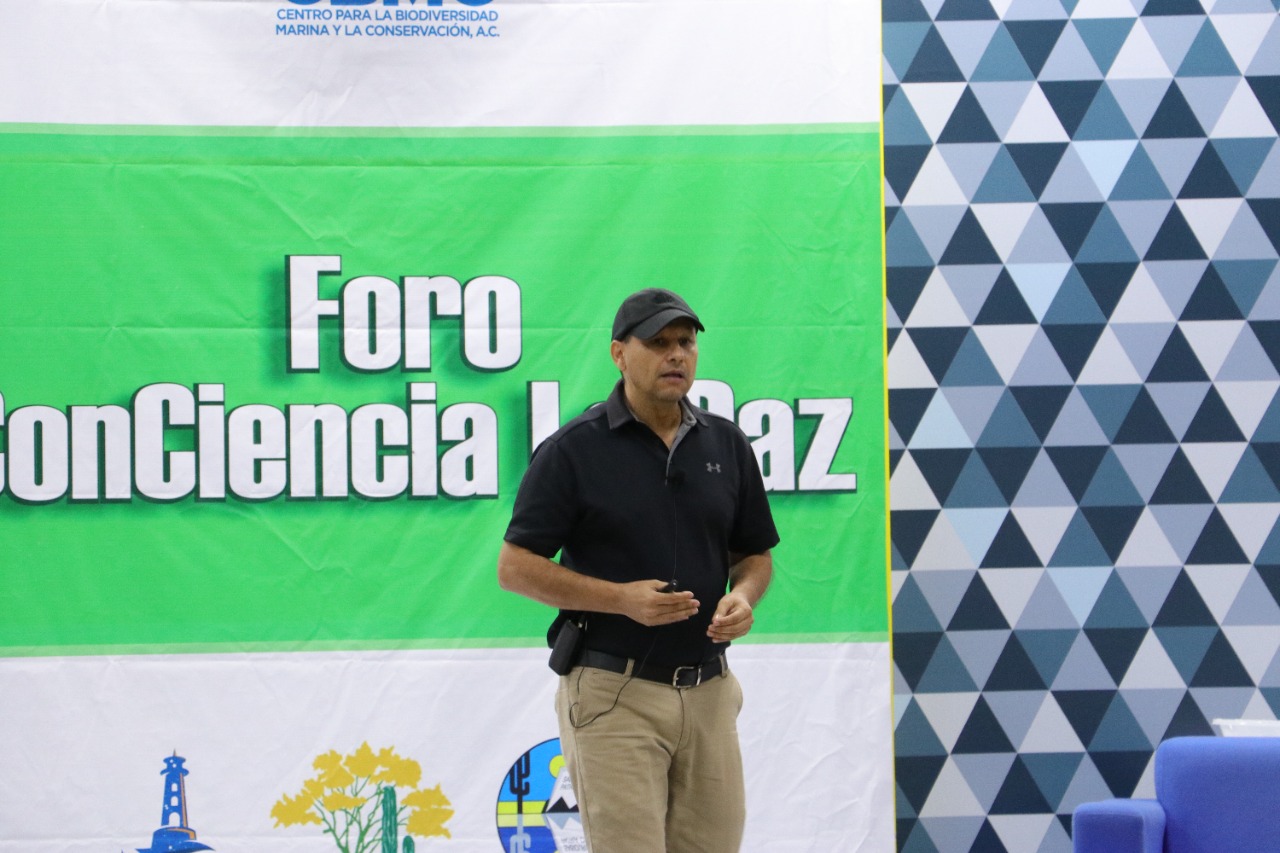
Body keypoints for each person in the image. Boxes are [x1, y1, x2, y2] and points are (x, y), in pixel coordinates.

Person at [498, 287, 779, 853]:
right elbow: (515, 567)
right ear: (619, 354)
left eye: (686, 342)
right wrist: (621, 599)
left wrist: (745, 595)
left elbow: (753, 555)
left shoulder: (726, 443)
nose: (676, 354)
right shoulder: (574, 449)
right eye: (657, 342)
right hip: (613, 692)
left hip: (709, 691)